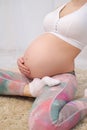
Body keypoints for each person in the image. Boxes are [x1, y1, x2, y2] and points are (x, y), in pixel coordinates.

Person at [0, 0, 87, 129]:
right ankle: (30, 90)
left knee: (44, 123)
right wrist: (26, 60)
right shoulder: (64, 5)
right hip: (32, 79)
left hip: (60, 78)